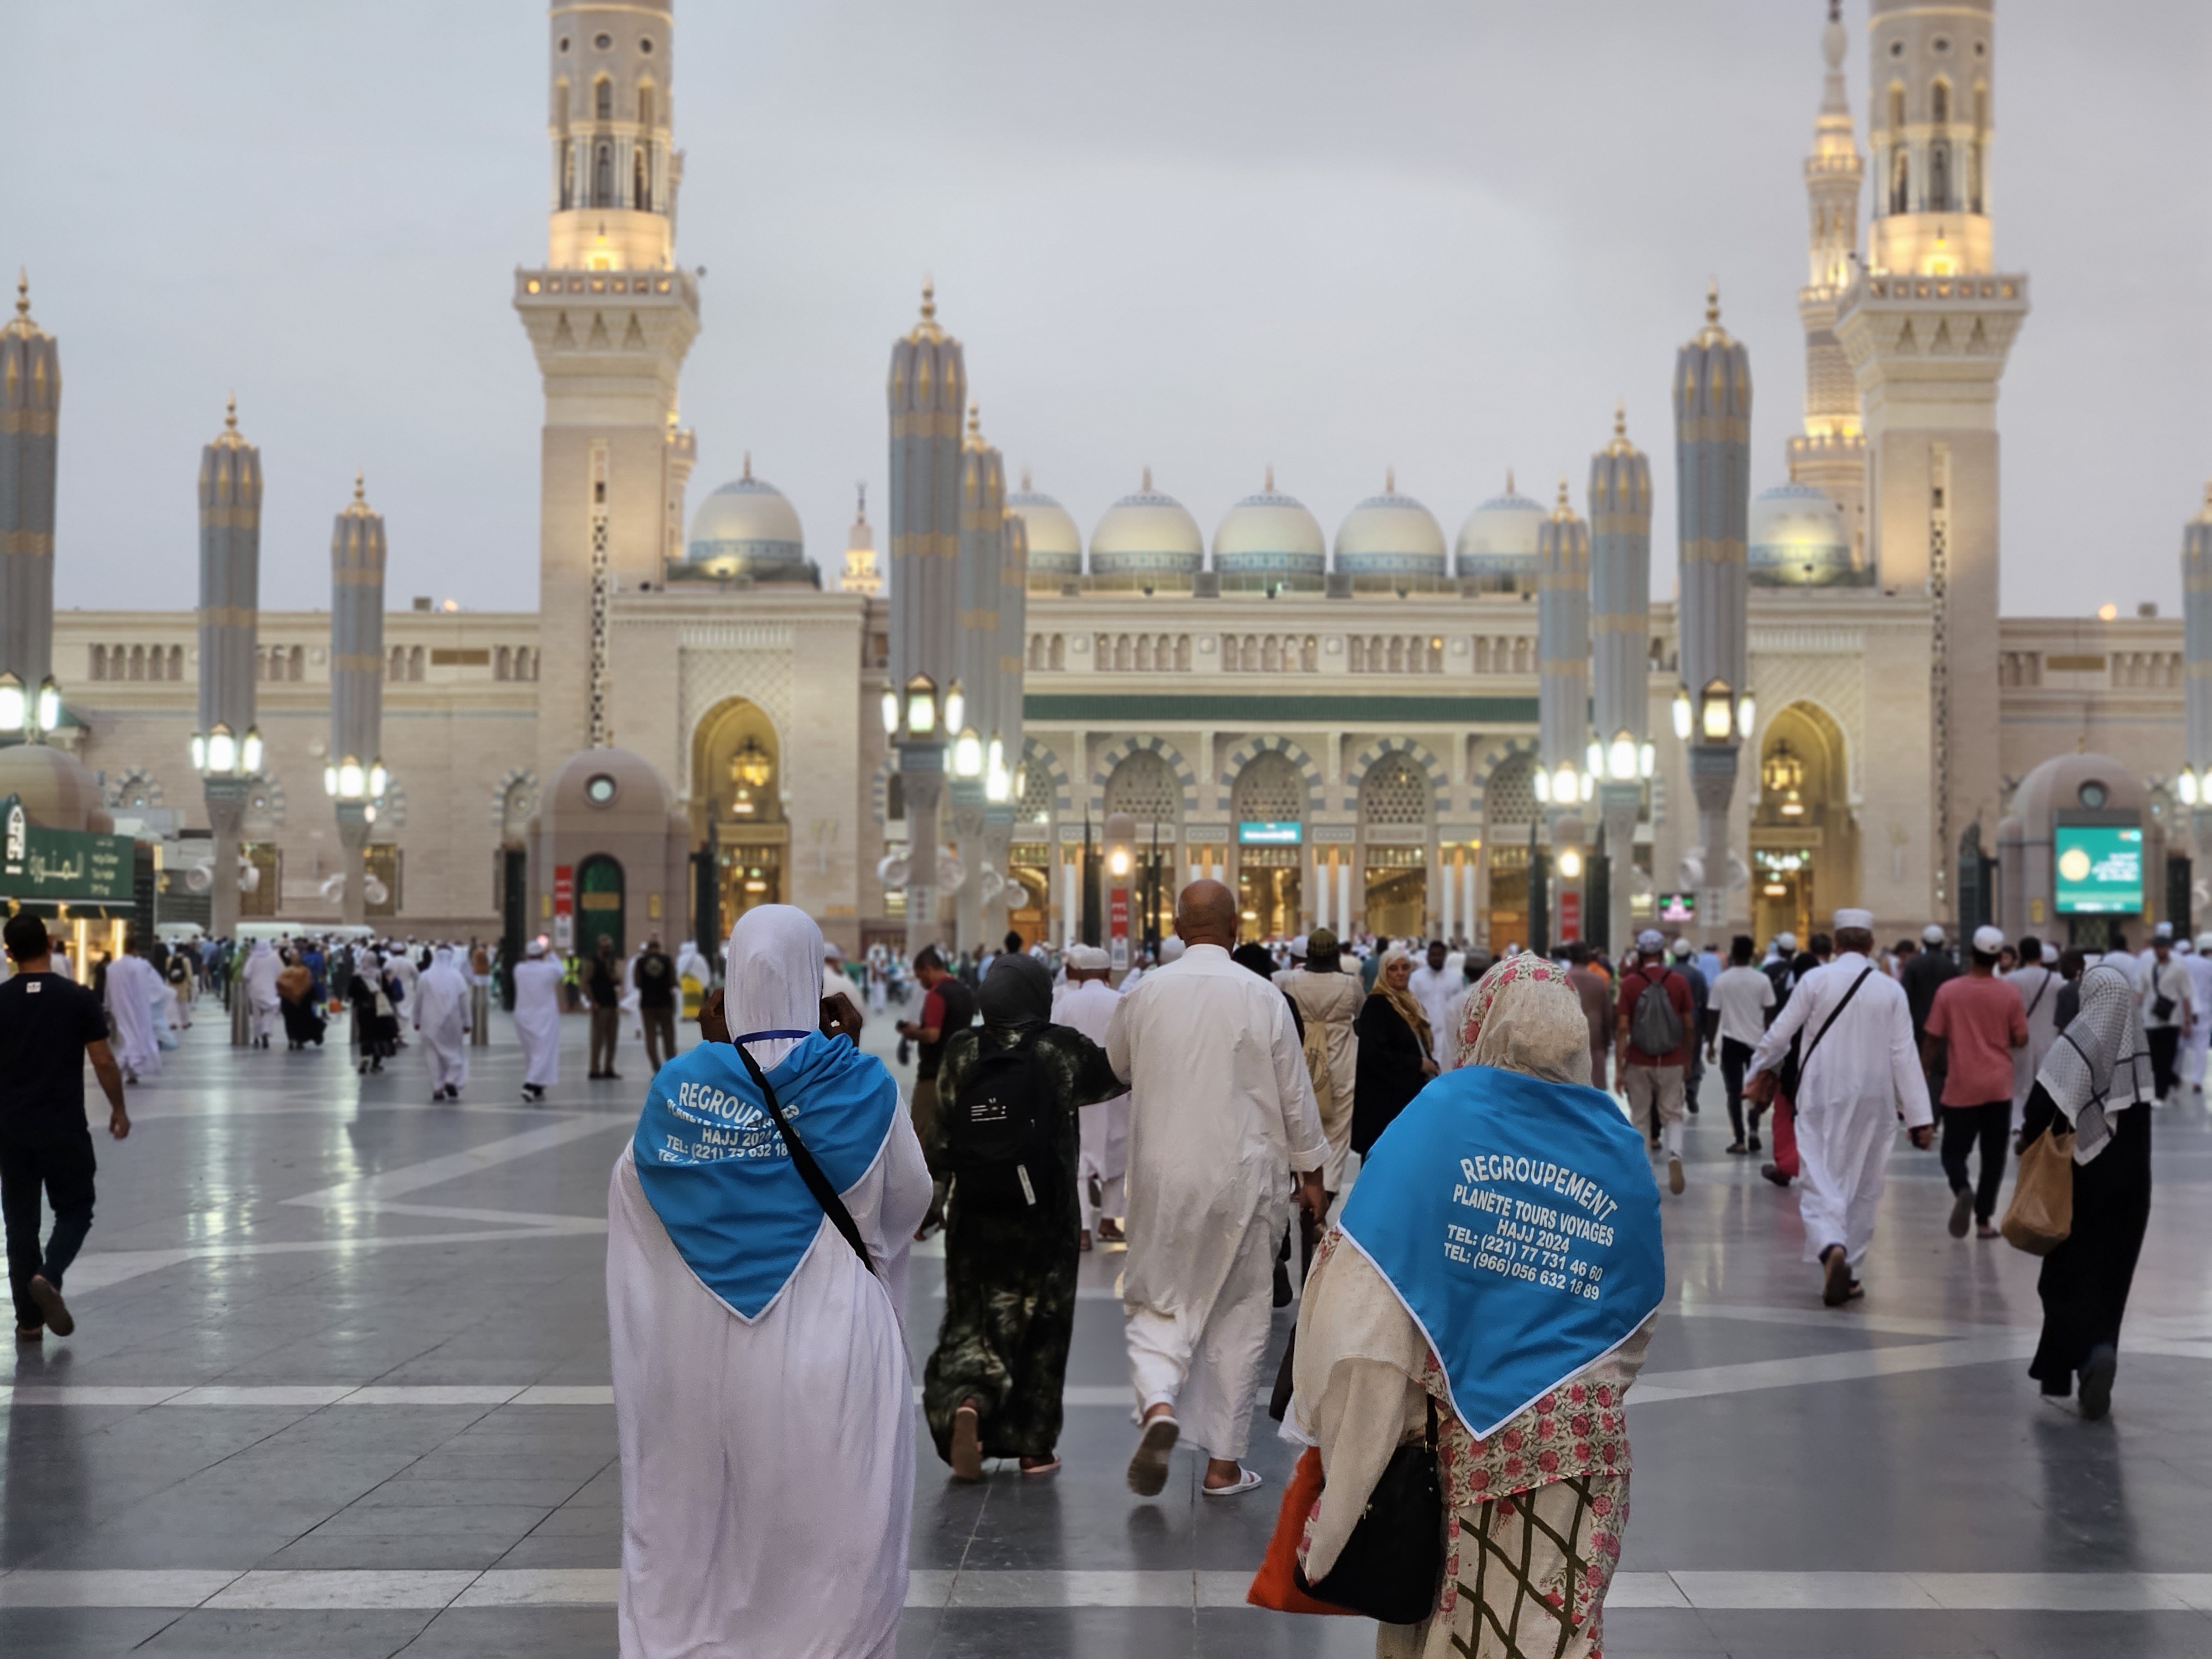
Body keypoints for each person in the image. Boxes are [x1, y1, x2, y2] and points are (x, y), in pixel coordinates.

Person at [1289, 953, 1664, 1657]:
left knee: (1462, 1626)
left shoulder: (1441, 1118)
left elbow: (1364, 1280)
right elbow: (1635, 1305)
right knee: (1552, 1629)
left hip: (1469, 1436)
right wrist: (1578, 1381)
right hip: (1583, 1441)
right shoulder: (1613, 1141)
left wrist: (1348, 1421)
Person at [608, 904, 931, 1659]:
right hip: (835, 1340)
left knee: (709, 1529)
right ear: (813, 971)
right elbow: (909, 1198)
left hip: (702, 1349)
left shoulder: (680, 1089)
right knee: (841, 1533)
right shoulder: (860, 1081)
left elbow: (635, 1201)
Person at [1106, 879, 1327, 1499]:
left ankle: (1158, 1407)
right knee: (1238, 1313)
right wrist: (1313, 1177)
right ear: (1236, 929)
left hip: (1163, 1176)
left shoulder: (1145, 993)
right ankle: (1224, 1466)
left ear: (1179, 929)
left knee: (1162, 1301)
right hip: (1244, 1179)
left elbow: (1118, 1066)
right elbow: (1294, 1096)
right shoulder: (1262, 996)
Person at [924, 954, 1126, 1480]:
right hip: (1045, 1214)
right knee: (1043, 1325)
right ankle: (1034, 1447)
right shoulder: (1060, 1049)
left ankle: (969, 1402)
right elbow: (1118, 1076)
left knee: (973, 1320)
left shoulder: (962, 1050)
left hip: (976, 1214)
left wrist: (935, 1198)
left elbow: (942, 1133)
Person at [1749, 909, 1934, 1306]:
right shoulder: (1890, 990)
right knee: (1864, 1184)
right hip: (1875, 1097)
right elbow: (1904, 1054)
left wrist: (1756, 1070)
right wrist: (1920, 1117)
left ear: (1835, 944)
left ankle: (1830, 1246)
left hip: (1822, 1094)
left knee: (1819, 1175)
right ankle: (1852, 1270)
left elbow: (1779, 1035)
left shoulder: (1815, 980)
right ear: (1870, 945)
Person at [2020, 963, 2154, 1420]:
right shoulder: (2137, 1052)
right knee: (2111, 1280)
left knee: (2064, 1278)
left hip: (2080, 1181)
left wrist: (2027, 1142)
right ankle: (2102, 1348)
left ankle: (2082, 1360)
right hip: (2133, 1188)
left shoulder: (2075, 1044)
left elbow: (2040, 1108)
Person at [1, 915, 131, 1343]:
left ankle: (29, 1321)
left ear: (9, 953)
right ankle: (50, 1275)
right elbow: (103, 1060)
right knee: (75, 1209)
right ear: (51, 946)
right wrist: (118, 1109)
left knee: (20, 1223)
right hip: (63, 1126)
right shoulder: (77, 998)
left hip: (12, 1129)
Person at [1922, 925, 2030, 1240]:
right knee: (1994, 1156)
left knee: (1953, 1153)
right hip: (1998, 1085)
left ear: (1970, 953)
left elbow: (1933, 1038)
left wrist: (1922, 1070)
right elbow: (2021, 1038)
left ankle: (1962, 1188)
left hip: (1961, 1086)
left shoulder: (1949, 992)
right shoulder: (2009, 992)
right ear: (1999, 957)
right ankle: (1984, 1222)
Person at [896, 945, 977, 1234]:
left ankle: (924, 1213)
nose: (921, 982)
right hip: (959, 1074)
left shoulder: (937, 994)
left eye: (921, 976)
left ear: (928, 969)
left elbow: (932, 1034)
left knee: (922, 1140)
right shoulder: (965, 992)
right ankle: (942, 1205)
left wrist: (910, 1032)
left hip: (933, 1077)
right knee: (950, 1140)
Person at [1054, 944, 1130, 1245]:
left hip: (1076, 1090)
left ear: (1077, 973)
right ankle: (1109, 1221)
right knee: (1117, 1150)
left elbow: (1055, 1044)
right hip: (1115, 1087)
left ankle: (1083, 1228)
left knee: (1078, 1157)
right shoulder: (1122, 1001)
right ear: (1108, 974)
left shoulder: (1066, 1002)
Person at [1276, 927, 1361, 1192]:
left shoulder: (1289, 981)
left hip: (1301, 1059)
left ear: (1309, 953)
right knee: (1336, 1130)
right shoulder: (1350, 985)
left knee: (1300, 1121)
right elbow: (1359, 1013)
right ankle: (1329, 1188)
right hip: (1340, 1064)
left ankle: (1303, 1188)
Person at [1615, 930, 1695, 1195]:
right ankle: (1674, 1155)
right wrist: (1687, 1057)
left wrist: (1619, 1068)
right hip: (1671, 1059)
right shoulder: (1679, 981)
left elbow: (1623, 1028)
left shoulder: (1629, 984)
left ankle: (1644, 1172)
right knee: (1672, 1113)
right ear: (1662, 953)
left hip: (1639, 1060)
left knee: (1640, 1117)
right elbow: (1688, 1024)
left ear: (1639, 953)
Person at [1351, 944, 1438, 1157]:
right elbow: (1373, 1054)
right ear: (1383, 972)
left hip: (1405, 1097)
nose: (1400, 973)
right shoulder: (1377, 1004)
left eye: (1405, 967)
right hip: (1383, 1102)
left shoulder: (1408, 1001)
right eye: (1393, 968)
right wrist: (1417, 1064)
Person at [1709, 934, 1776, 1154]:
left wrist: (1710, 1043)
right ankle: (1754, 1129)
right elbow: (1770, 1011)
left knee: (1734, 1092)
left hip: (1731, 1042)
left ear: (1733, 954)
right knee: (1754, 1090)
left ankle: (1739, 1139)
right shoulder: (1762, 980)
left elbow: (1714, 1014)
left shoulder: (1722, 980)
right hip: (1757, 1043)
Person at [2007, 937, 2063, 1126]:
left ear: (2020, 955)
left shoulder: (2010, 981)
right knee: (2046, 1087)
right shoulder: (2058, 981)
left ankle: (2018, 1124)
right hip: (2049, 1040)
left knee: (2018, 1087)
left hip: (2019, 1040)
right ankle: (2041, 1123)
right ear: (2040, 954)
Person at [1901, 922, 1959, 1097]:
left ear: (1923, 942)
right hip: (1944, 1026)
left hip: (1918, 1024)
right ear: (1942, 942)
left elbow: (1905, 995)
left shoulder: (1913, 965)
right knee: (1939, 1069)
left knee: (1918, 1067)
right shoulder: (1951, 967)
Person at [2137, 930, 2193, 1105]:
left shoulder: (2178, 970)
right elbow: (2139, 993)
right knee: (2153, 1057)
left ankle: (2160, 1094)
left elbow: (2186, 995)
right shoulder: (2148, 970)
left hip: (2172, 1019)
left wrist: (2187, 1021)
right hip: (2151, 1019)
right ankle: (2173, 1079)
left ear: (2168, 948)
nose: (2159, 950)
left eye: (2162, 947)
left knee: (2166, 1056)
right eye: (2156, 947)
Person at [413, 946, 474, 1102]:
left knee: (432, 1055)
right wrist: (468, 1022)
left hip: (429, 1023)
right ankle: (450, 1080)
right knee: (454, 1054)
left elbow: (418, 1000)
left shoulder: (425, 976)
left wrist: (416, 1020)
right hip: (452, 1023)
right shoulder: (457, 976)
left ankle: (437, 1088)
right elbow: (464, 1001)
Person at [104, 939, 166, 1083]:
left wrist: (108, 1004)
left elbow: (108, 989)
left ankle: (131, 1071)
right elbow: (155, 985)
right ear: (135, 949)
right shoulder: (141, 966)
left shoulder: (113, 967)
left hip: (120, 1008)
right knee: (136, 1038)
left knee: (126, 1038)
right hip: (138, 1009)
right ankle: (122, 1067)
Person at [513, 939, 564, 1102]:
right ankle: (529, 1084)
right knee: (543, 1052)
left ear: (527, 955)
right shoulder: (549, 970)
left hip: (523, 1017)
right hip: (544, 1017)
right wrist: (552, 953)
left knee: (531, 1053)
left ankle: (538, 1086)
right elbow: (561, 970)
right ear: (542, 954)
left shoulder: (519, 969)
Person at [1564, 943, 1613, 1090]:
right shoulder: (1598, 981)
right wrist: (1607, 1042)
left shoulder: (1560, 979)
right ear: (1587, 958)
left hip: (1566, 1042)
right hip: (1594, 1040)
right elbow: (1608, 1016)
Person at [1406, 940, 1460, 1072]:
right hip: (1425, 1032)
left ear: (1445, 956)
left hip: (1449, 1034)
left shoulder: (1455, 978)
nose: (1436, 958)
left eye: (1439, 955)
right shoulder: (1416, 978)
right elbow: (1411, 1006)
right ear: (1427, 956)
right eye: (1433, 955)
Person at [1673, 937, 1710, 1115]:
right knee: (1693, 1057)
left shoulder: (1667, 973)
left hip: (1671, 1023)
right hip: (1693, 1022)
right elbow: (1705, 1002)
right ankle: (1691, 1091)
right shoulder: (1697, 975)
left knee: (1672, 1058)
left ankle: (1674, 1095)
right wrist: (1706, 1031)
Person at [348, 950, 401, 1074]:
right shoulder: (380, 975)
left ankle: (365, 1057)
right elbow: (389, 992)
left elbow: (351, 993)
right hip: (379, 1010)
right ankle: (376, 1064)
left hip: (363, 1010)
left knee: (366, 1034)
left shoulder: (357, 976)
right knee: (380, 1036)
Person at [633, 935, 678, 1072]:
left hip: (647, 1004)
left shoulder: (641, 962)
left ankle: (656, 1066)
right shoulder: (667, 960)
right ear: (659, 948)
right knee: (668, 1035)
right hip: (665, 1002)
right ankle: (670, 1064)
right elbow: (673, 981)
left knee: (650, 1036)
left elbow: (637, 983)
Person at [586, 936, 623, 1080]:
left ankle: (609, 1067)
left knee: (612, 1038)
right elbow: (586, 983)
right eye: (605, 946)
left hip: (612, 1004)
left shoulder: (611, 962)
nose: (608, 949)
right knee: (598, 1039)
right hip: (600, 1005)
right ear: (599, 947)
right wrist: (592, 1001)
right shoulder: (593, 963)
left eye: (609, 946)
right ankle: (594, 1069)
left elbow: (617, 979)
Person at [275, 948, 325, 1050]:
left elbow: (280, 984)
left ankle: (292, 1039)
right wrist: (317, 996)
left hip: (288, 1001)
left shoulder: (286, 972)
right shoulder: (306, 971)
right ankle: (300, 1040)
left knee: (290, 1021)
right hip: (304, 1001)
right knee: (302, 1020)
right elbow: (311, 985)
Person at [240, 938, 281, 1048]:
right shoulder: (274, 957)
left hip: (256, 989)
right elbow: (281, 972)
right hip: (271, 988)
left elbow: (246, 974)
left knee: (256, 1014)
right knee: (271, 1009)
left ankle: (256, 1036)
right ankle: (266, 1031)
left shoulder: (253, 958)